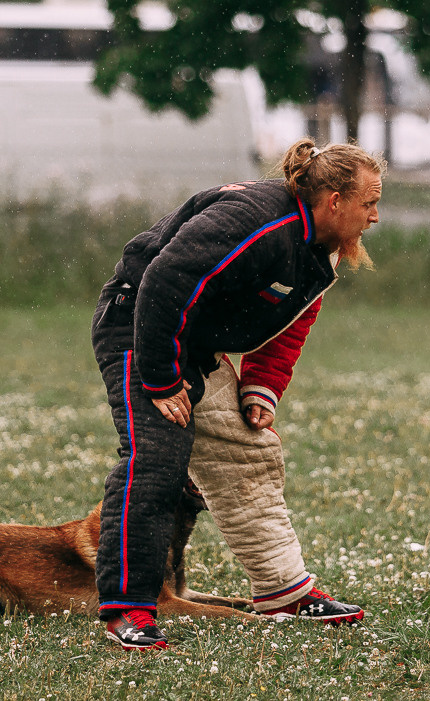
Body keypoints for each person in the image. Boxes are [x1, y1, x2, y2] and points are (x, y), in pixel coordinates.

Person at [92, 138, 385, 650]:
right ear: (335, 201)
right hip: (139, 327)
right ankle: (128, 608)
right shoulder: (256, 221)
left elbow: (292, 321)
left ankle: (284, 593)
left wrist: (261, 388)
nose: (376, 216)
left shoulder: (318, 249)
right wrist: (161, 378)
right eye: (370, 203)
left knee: (250, 451)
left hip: (193, 339)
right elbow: (164, 279)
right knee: (157, 458)